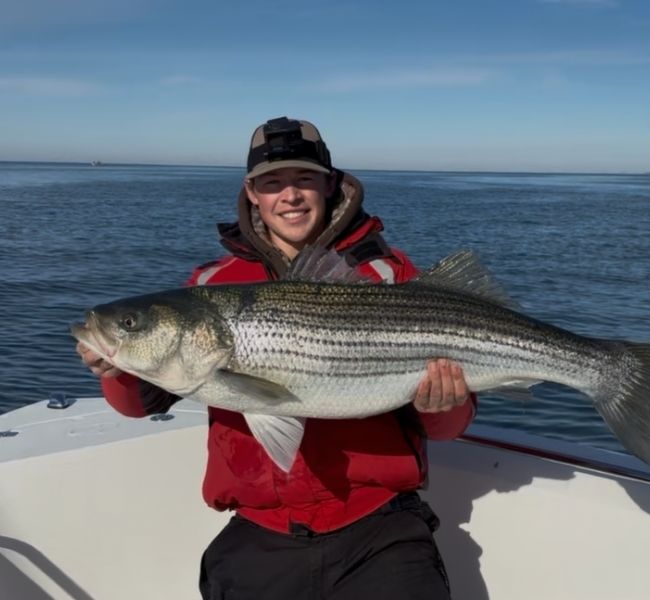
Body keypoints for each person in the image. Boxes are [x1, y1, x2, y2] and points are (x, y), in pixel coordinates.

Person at [76, 116, 477, 599]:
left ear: (329, 185)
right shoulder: (209, 286)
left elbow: (448, 427)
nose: (290, 195)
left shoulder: (389, 276)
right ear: (252, 193)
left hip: (381, 527)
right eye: (272, 183)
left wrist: (443, 403)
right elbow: (139, 405)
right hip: (259, 528)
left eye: (304, 179)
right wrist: (117, 366)